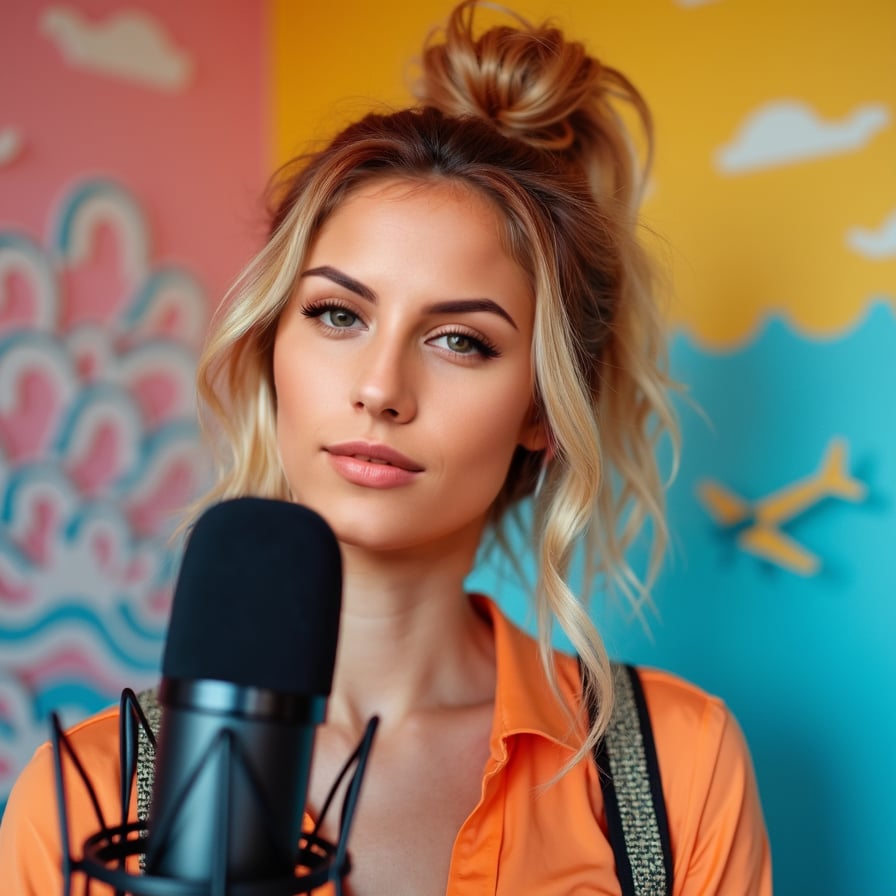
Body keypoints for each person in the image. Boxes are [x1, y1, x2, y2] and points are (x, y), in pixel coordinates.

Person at [0, 2, 771, 893]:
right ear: (270, 345)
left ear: (544, 409)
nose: (379, 387)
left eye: (460, 340)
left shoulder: (678, 768)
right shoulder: (83, 799)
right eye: (338, 314)